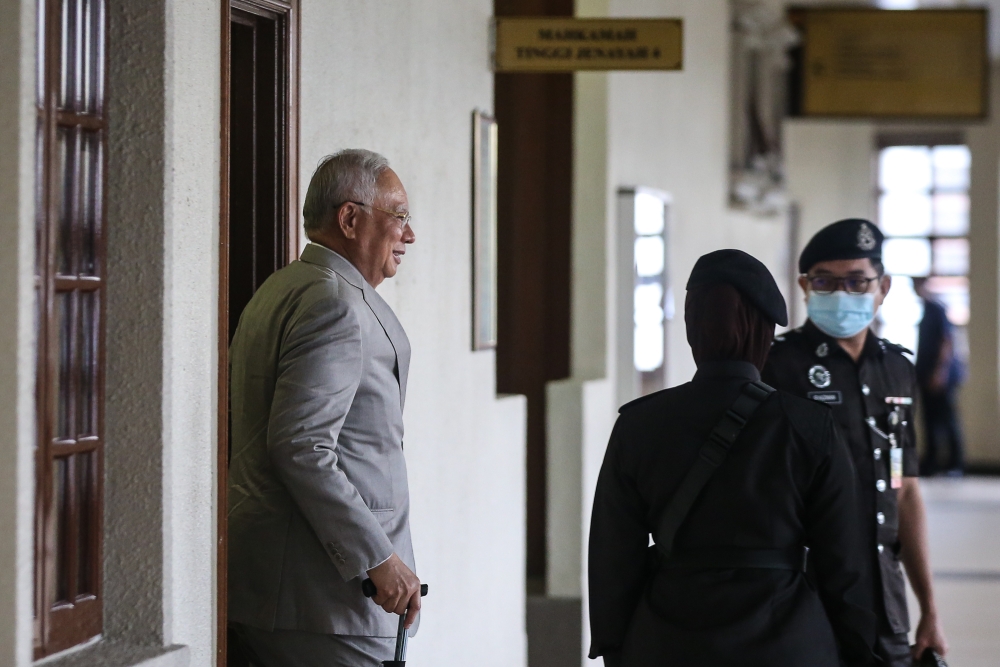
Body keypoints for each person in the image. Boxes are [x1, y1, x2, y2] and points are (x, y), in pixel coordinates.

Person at [589, 249, 876, 667]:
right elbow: (845, 565)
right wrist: (857, 650)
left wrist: (617, 648)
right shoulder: (809, 426)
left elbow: (612, 558)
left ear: (693, 329)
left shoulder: (639, 425)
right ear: (761, 331)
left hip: (668, 642)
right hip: (788, 643)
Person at [227, 149, 420, 667]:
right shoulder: (332, 302)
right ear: (351, 218)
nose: (409, 234)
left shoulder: (284, 286)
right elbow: (302, 445)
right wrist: (377, 557)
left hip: (294, 597)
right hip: (321, 604)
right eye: (398, 216)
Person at [763, 219, 948, 666]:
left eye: (856, 281)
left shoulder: (897, 371)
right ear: (805, 286)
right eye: (825, 281)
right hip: (802, 591)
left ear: (882, 287)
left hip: (882, 593)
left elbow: (905, 491)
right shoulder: (777, 368)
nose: (842, 293)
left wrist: (930, 609)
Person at [913, 277, 965, 476]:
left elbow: (946, 341)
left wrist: (939, 373)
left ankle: (955, 464)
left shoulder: (937, 309)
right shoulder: (926, 310)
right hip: (926, 375)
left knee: (948, 420)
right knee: (929, 420)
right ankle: (932, 463)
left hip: (941, 378)